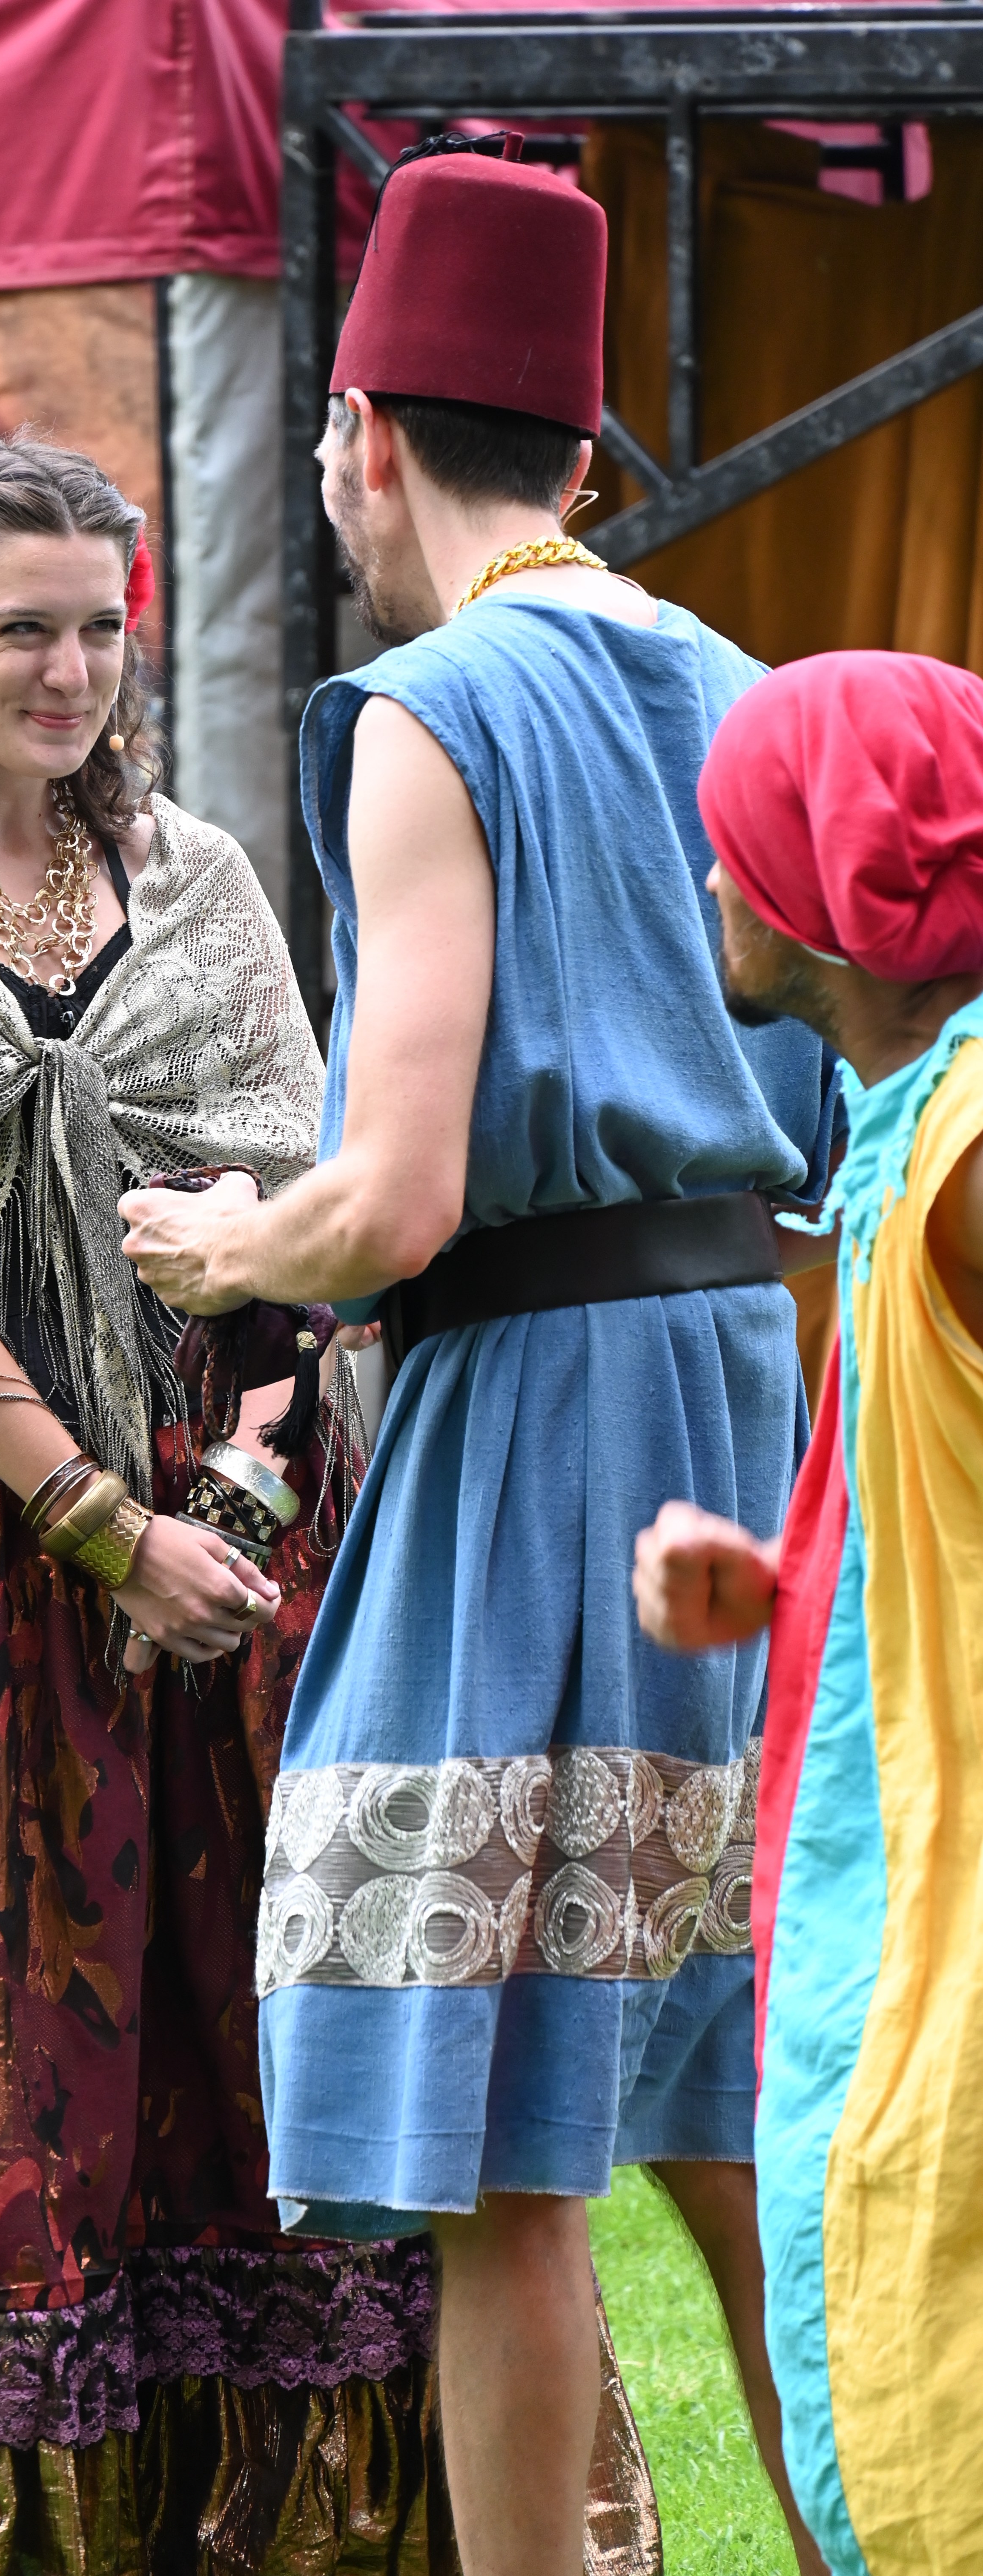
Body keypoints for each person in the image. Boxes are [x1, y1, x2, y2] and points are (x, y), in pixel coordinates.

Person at [120, 138, 834, 2576]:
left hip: (536, 1423)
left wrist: (230, 1241)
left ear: (356, 436)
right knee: (732, 2121)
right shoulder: (734, 684)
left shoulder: (424, 709)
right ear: (584, 453)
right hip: (739, 1390)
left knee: (508, 2152)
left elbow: (396, 1197)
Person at [0, 428, 472, 2576]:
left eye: (101, 629)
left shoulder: (203, 875)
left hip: (223, 1538)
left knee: (242, 2038)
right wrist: (95, 1528)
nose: (70, 672)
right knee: (1, 2049)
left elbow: (299, 1209)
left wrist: (223, 1523)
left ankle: (295, 2522)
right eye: (21, 632)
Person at [634, 650, 983, 2576]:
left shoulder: (972, 1157)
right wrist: (799, 1589)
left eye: (736, 851)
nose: (714, 887)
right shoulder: (909, 1127)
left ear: (825, 885)